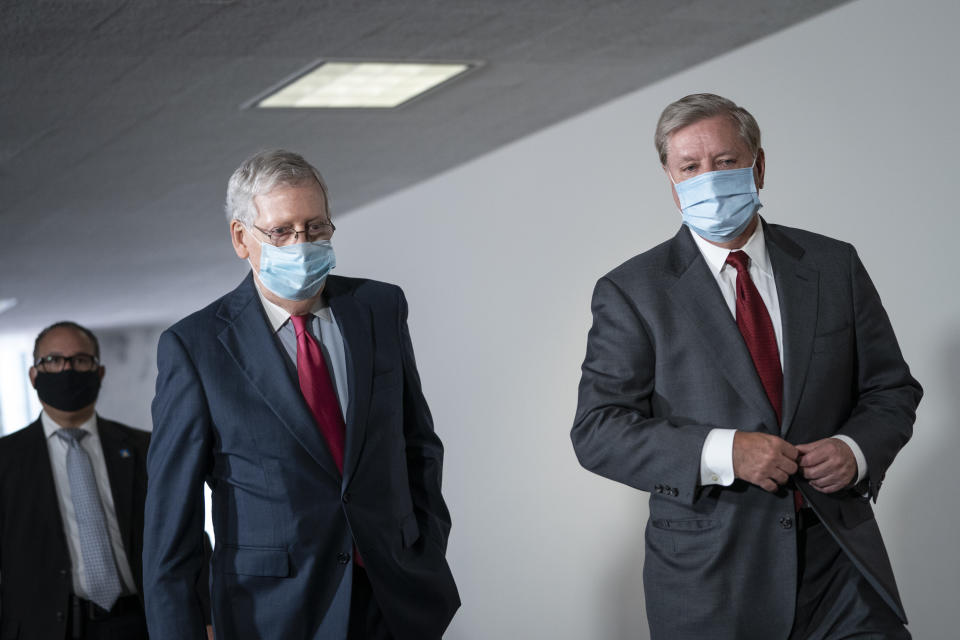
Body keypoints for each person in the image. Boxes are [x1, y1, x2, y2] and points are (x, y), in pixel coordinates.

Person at [571, 93, 921, 639]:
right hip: (713, 580)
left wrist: (855, 451)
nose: (707, 178)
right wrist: (723, 451)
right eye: (690, 167)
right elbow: (598, 432)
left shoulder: (834, 265)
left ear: (758, 165)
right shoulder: (632, 292)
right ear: (671, 181)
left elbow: (891, 389)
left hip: (841, 567)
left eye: (725, 162)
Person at [143, 149, 460, 640]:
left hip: (393, 596)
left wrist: (423, 545)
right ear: (241, 238)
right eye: (282, 231)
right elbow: (171, 529)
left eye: (316, 228)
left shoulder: (378, 307)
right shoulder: (195, 348)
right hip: (272, 611)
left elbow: (417, 443)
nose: (302, 244)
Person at [0, 322, 152, 640]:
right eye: (53, 360)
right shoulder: (7, 460)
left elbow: (186, 537)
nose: (67, 369)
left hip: (140, 623)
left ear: (99, 372)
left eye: (81, 360)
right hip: (43, 628)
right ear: (33, 375)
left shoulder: (146, 448)